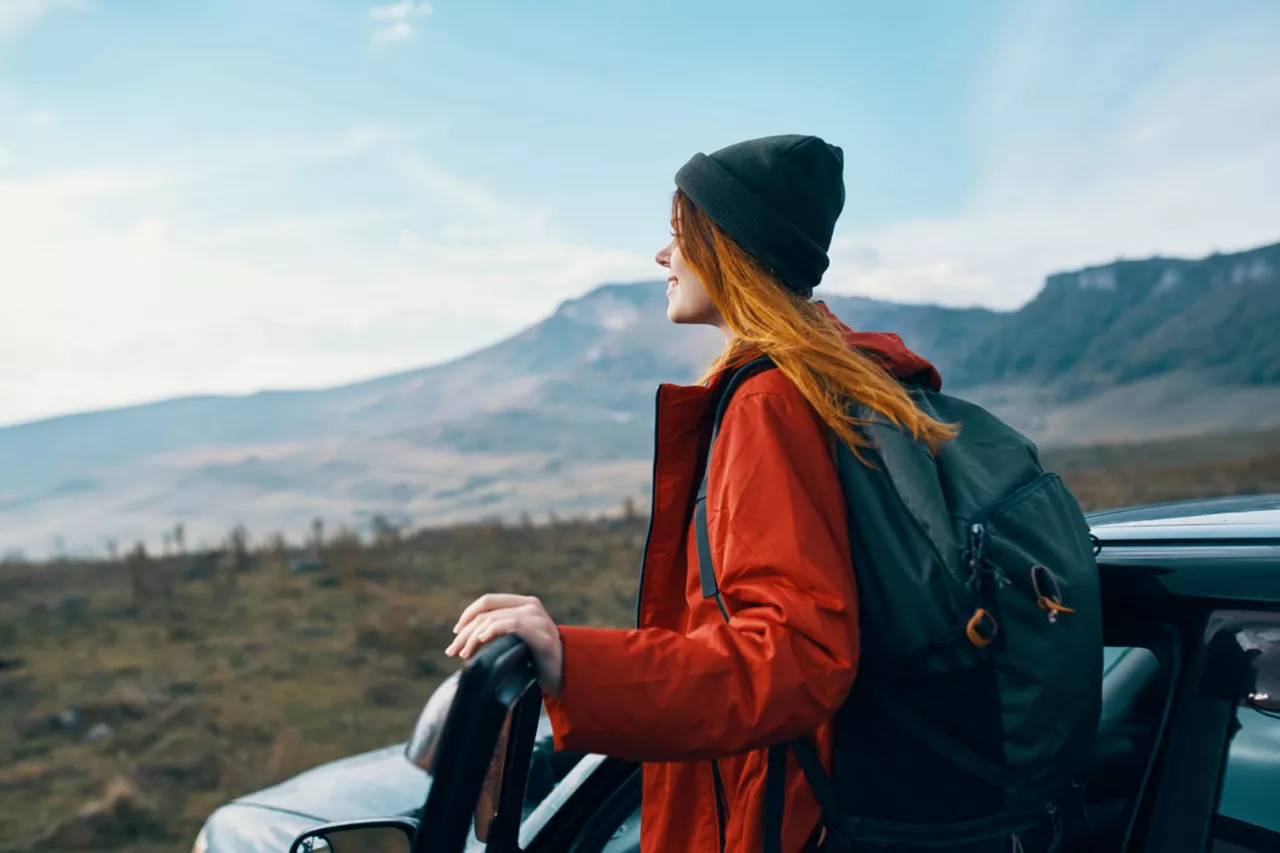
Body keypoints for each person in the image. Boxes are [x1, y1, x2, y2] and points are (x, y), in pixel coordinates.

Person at [446, 134, 956, 852]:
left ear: (731, 248)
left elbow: (794, 655)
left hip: (785, 818)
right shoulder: (850, 382)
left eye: (678, 235)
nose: (662, 257)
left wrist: (569, 658)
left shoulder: (771, 401)